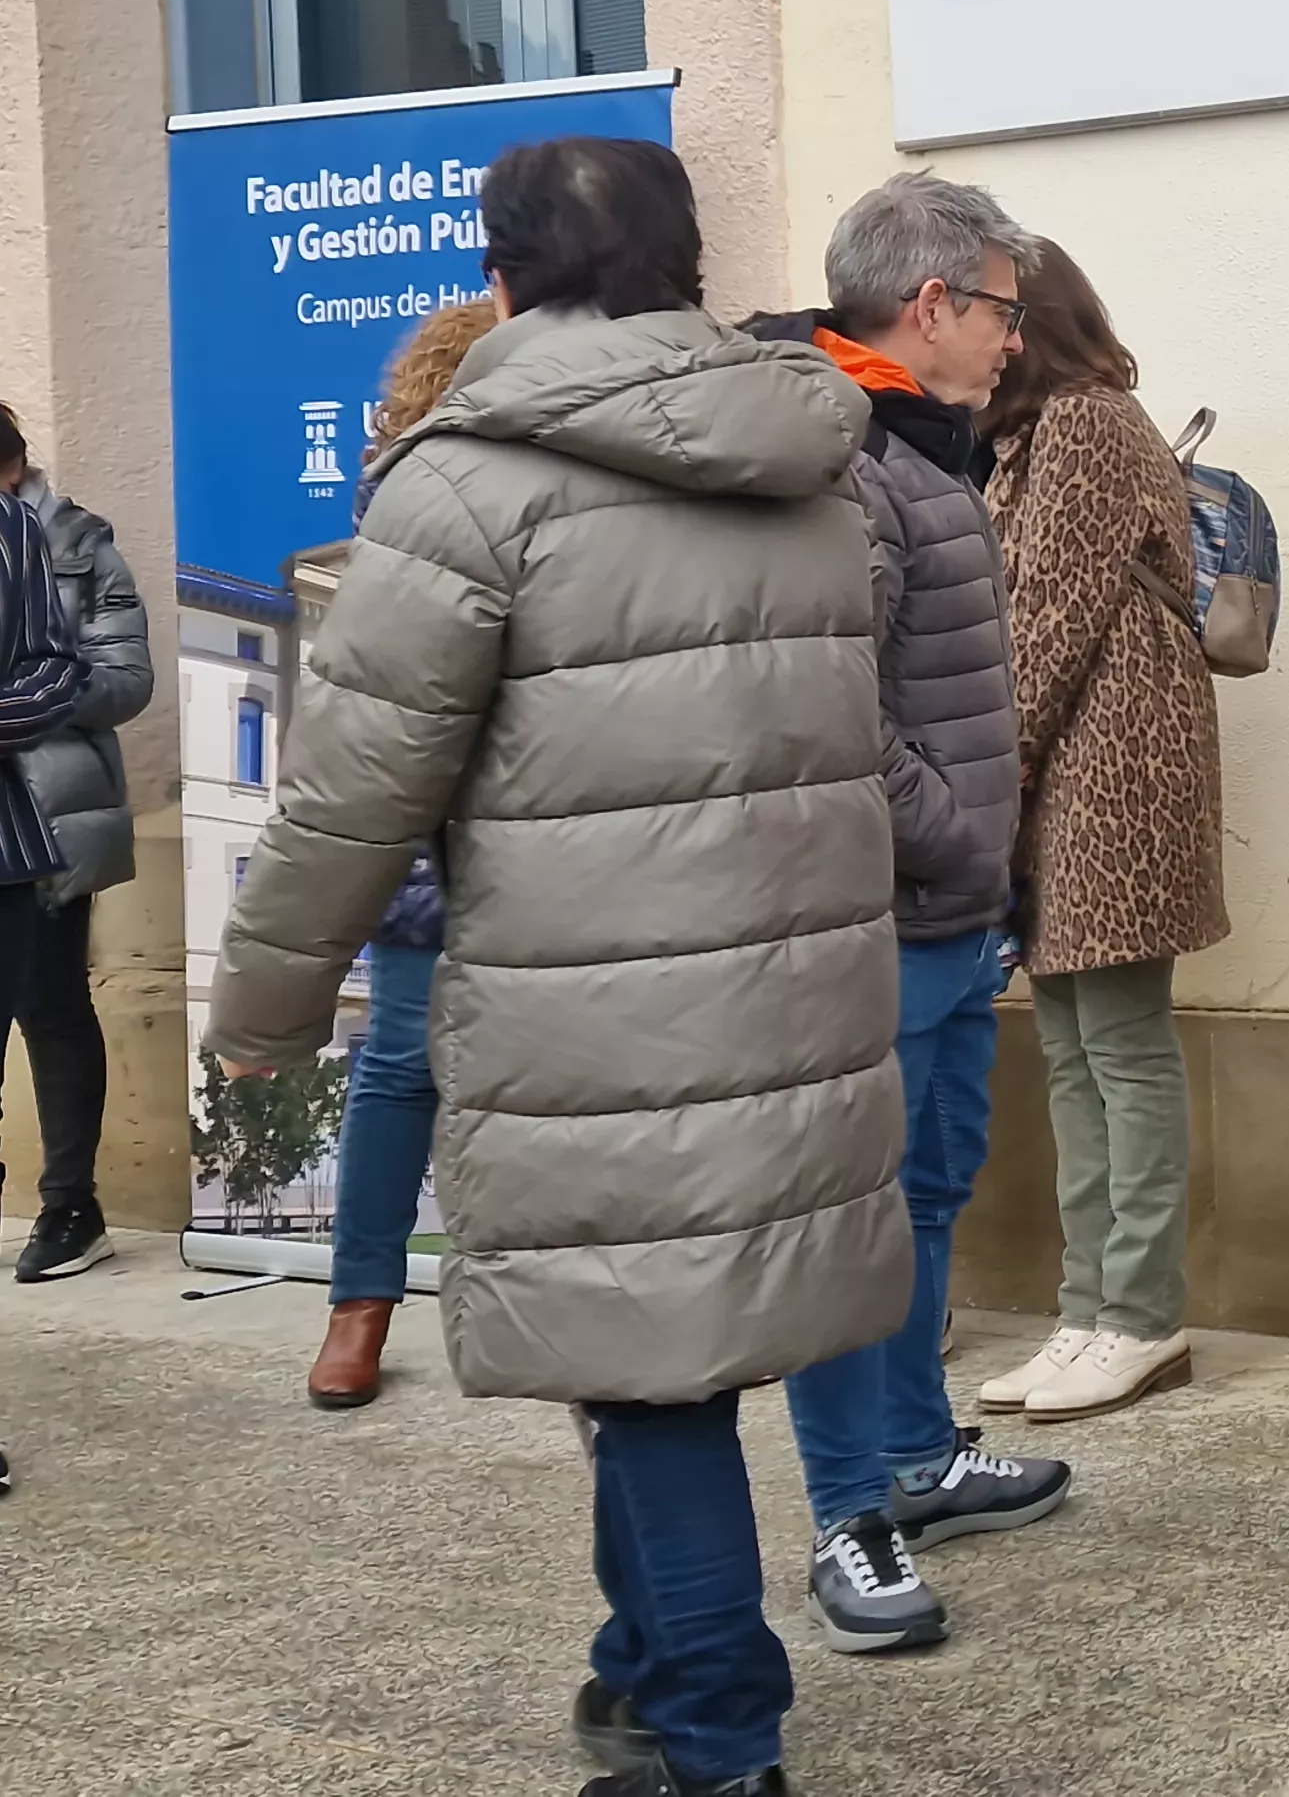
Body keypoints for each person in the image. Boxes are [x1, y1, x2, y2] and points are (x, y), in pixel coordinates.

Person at [202, 135, 901, 1797]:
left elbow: (356, 782)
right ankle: (639, 1672)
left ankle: (720, 1740)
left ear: (499, 280)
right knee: (649, 1358)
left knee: (650, 1382)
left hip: (601, 1018)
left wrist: (263, 1011)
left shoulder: (465, 486)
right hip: (793, 1004)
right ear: (685, 267)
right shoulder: (809, 460)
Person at [750, 172, 1069, 1654]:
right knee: (852, 1227)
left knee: (928, 1193)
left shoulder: (918, 446)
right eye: (1003, 308)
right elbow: (834, 709)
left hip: (945, 915)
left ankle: (920, 1451)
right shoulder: (848, 453)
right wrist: (953, 835)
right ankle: (847, 1514)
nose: (1018, 337)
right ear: (931, 306)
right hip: (874, 918)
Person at [974, 240, 1230, 1425]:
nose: (985, 334)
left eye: (1000, 313)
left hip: (1112, 771)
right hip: (1076, 766)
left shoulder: (1082, 422)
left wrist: (985, 775)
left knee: (1118, 1044)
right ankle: (1089, 1310)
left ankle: (1137, 1313)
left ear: (1043, 322)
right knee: (1076, 1047)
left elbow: (1048, 620)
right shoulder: (1038, 432)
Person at [301, 299, 500, 1405]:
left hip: (553, 828)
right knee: (400, 1062)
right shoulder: (401, 501)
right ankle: (360, 1303)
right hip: (429, 825)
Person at [3, 406, 149, 1285]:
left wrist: (21, 690)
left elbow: (128, 680)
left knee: (48, 1006)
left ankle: (71, 1210)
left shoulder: (79, 543)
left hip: (45, 813)